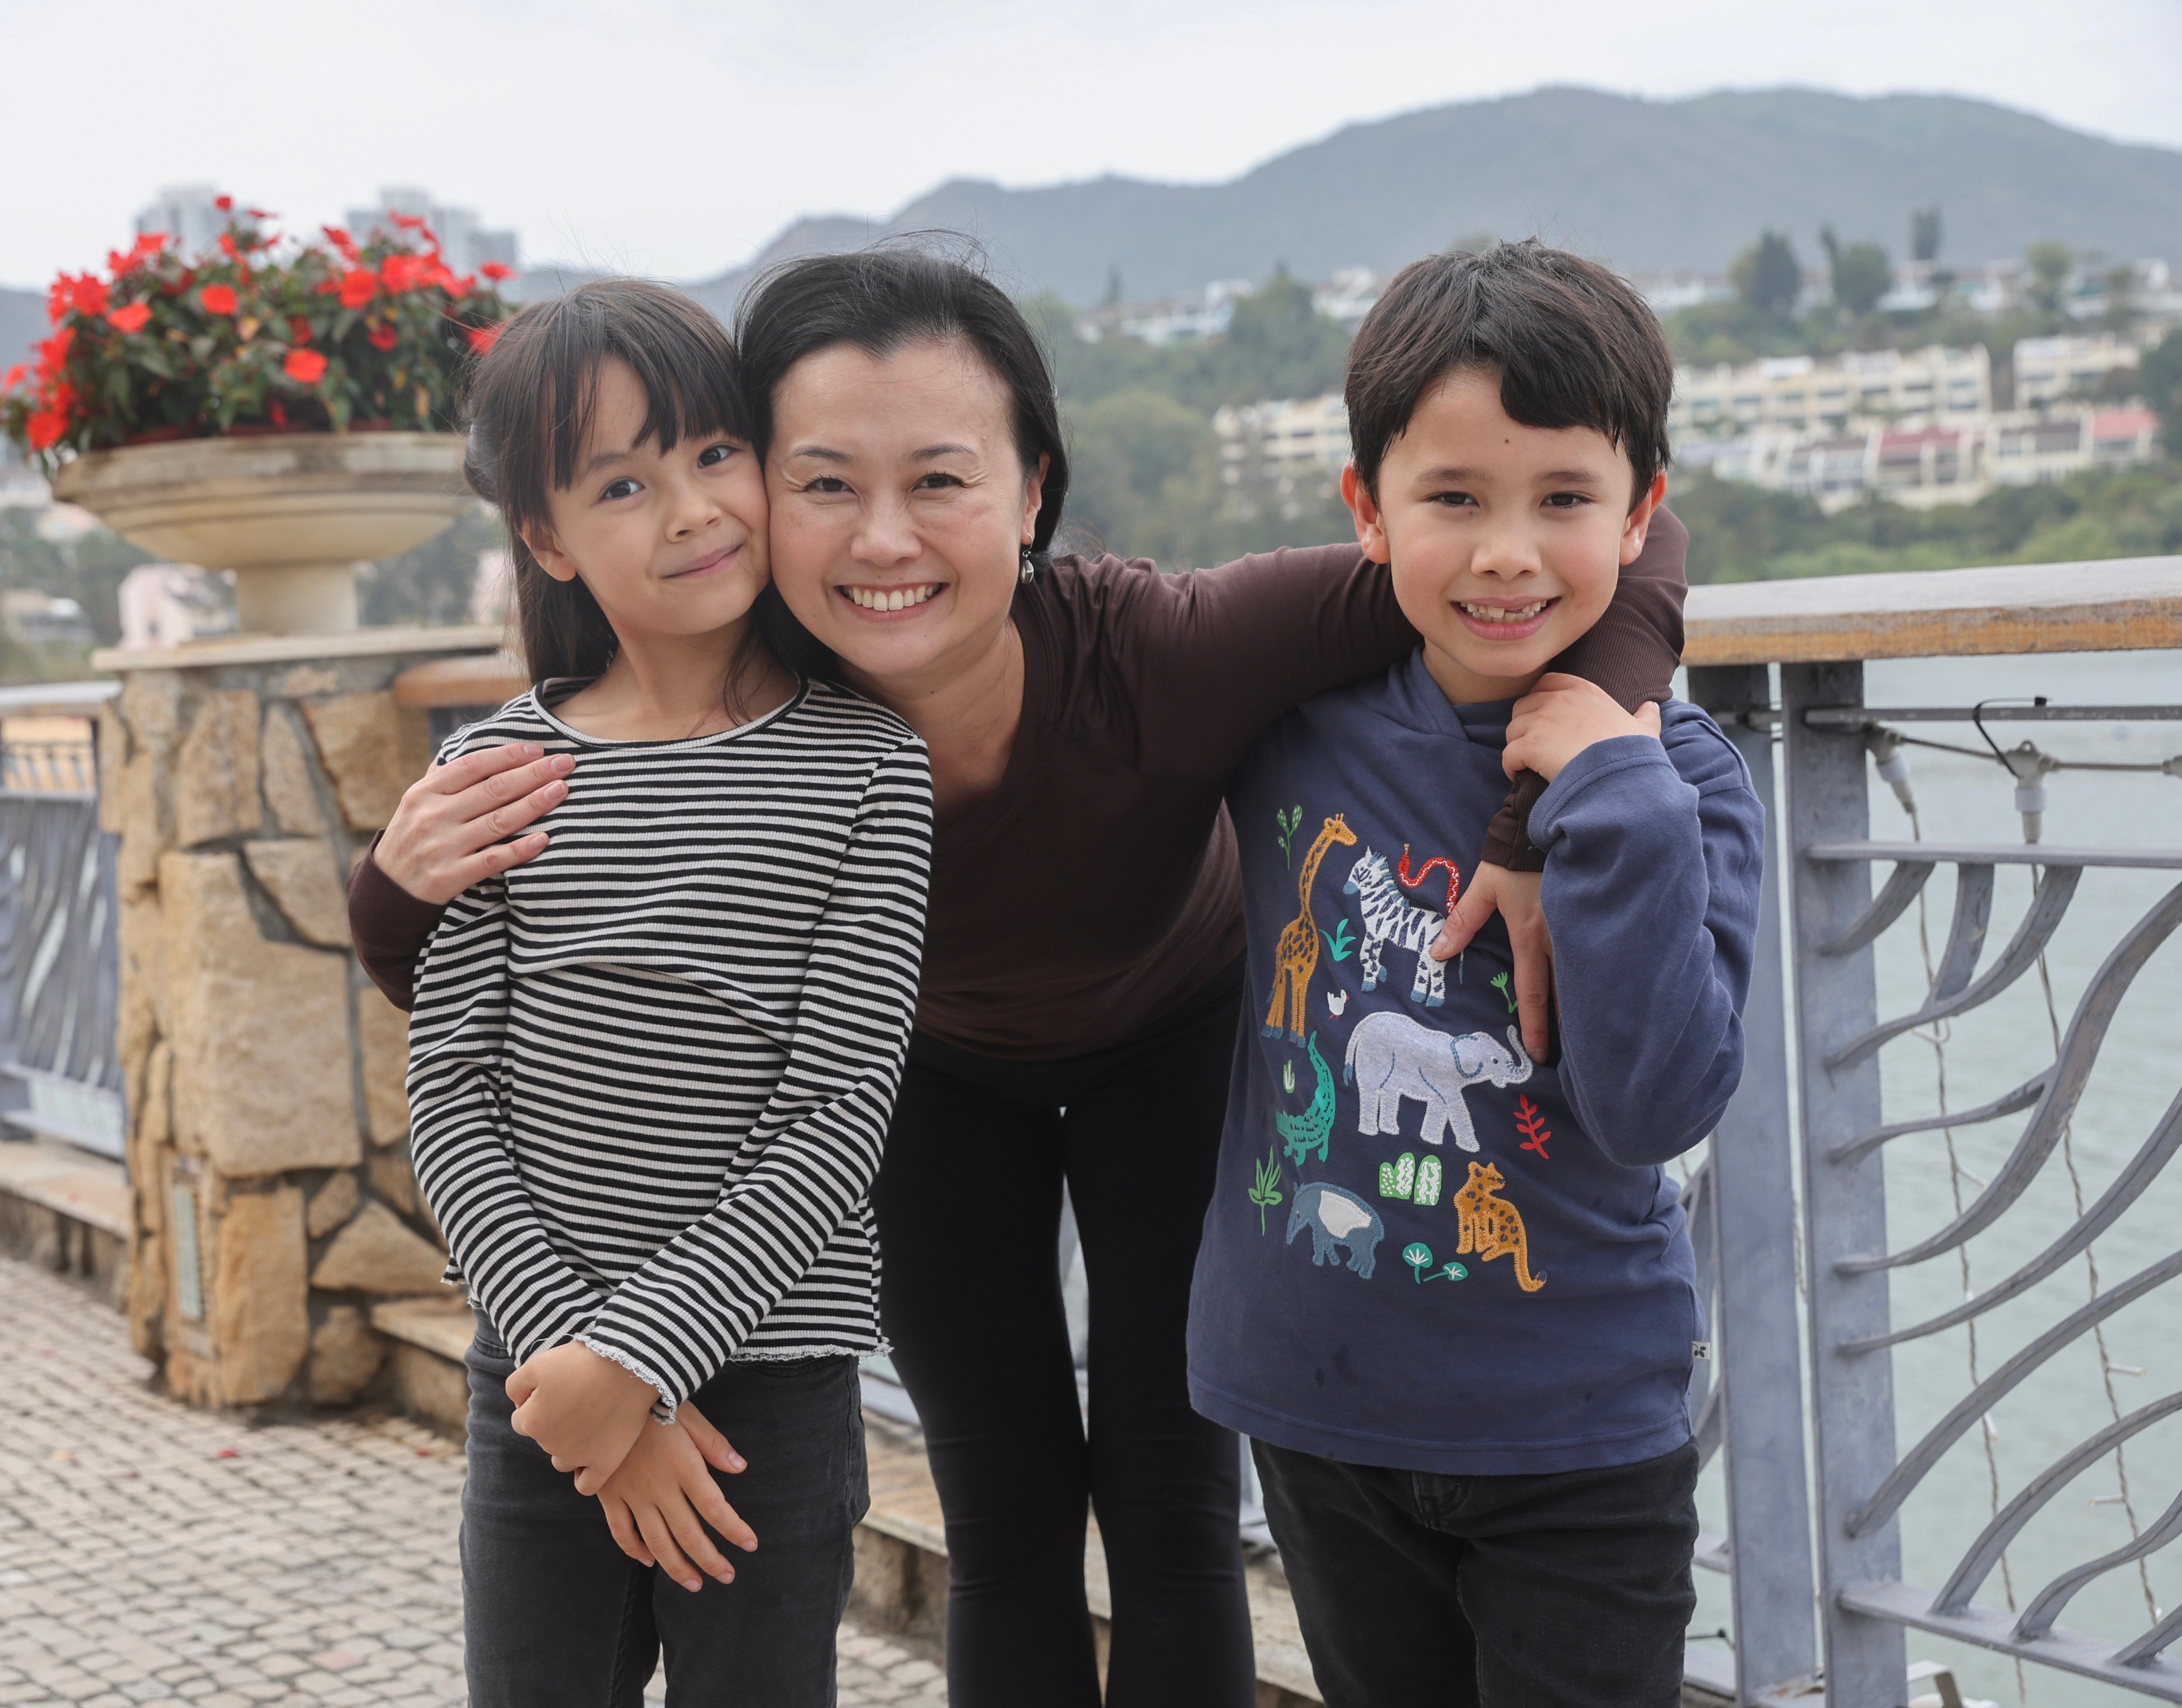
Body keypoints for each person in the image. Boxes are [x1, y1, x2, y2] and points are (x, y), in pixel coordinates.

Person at [354, 247, 1691, 1708]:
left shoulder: (1163, 649)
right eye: (822, 484)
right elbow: (471, 996)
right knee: (1003, 1520)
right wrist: (392, 876)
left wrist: (1537, 804)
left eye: (939, 480)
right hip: (920, 1079)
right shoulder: (756, 688)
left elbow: (1613, 546)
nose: (883, 541)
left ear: (1032, 490)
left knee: (1171, 1516)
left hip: (1169, 1048)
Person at [1185, 241, 1763, 1708]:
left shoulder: (1683, 783)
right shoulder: (1286, 726)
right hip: (1316, 1404)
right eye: (1454, 499)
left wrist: (1616, 796)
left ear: (1637, 518)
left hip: (1575, 1430)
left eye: (1561, 501)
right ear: (1364, 512)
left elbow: (1655, 1107)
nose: (1506, 551)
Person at [408, 277, 934, 1708]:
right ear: (545, 538)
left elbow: (834, 1121)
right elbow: (450, 1098)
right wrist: (578, 1377)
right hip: (537, 1382)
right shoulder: (496, 779)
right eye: (623, 484)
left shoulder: (869, 770)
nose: (693, 510)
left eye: (714, 455)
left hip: (769, 1377)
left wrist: (640, 1359)